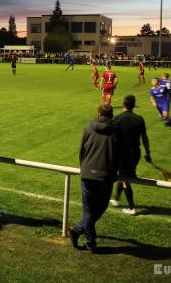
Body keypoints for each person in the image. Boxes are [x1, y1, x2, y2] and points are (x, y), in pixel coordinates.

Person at [69, 104, 120, 253]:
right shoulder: (116, 130)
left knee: (88, 211)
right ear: (111, 115)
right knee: (99, 208)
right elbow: (119, 153)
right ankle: (82, 235)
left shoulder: (89, 126)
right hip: (105, 175)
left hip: (87, 174)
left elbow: (82, 150)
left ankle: (88, 240)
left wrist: (83, 168)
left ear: (99, 114)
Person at [111, 95, 151, 216]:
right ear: (133, 105)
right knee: (124, 175)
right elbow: (144, 137)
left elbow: (111, 137)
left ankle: (132, 208)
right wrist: (148, 153)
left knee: (125, 179)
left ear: (124, 104)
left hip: (122, 154)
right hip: (135, 153)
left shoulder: (117, 118)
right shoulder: (139, 119)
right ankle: (116, 199)